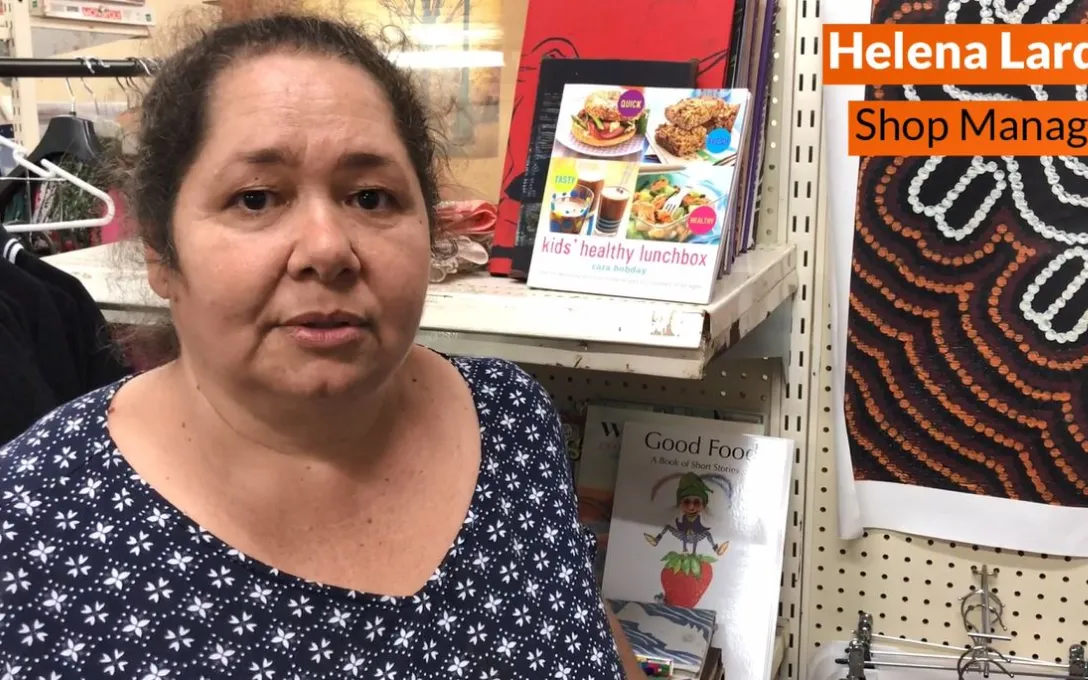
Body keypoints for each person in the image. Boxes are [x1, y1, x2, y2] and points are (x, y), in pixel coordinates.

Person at [0, 14, 645, 680]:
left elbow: (586, 629)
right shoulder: (32, 526)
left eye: (371, 196)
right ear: (162, 253)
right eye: (255, 199)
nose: (328, 248)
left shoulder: (512, 418)